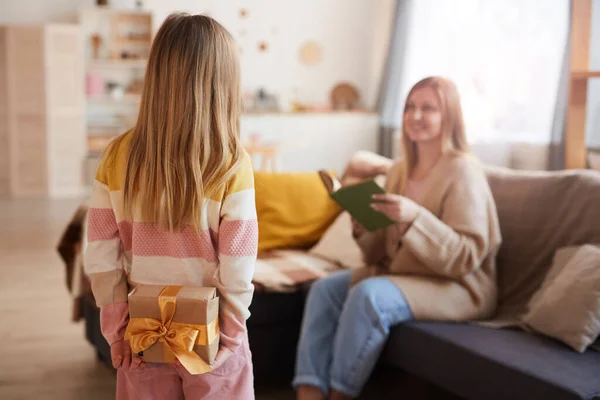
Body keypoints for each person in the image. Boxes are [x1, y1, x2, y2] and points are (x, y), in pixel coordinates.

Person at [293, 76, 502, 400]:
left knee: (368, 295)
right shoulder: (399, 170)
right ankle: (309, 393)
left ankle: (339, 395)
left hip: (459, 285)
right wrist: (362, 223)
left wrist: (415, 217)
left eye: (428, 108)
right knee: (324, 289)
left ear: (450, 116)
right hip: (403, 274)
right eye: (410, 107)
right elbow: (378, 254)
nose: (416, 116)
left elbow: (467, 255)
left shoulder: (463, 171)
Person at [84, 13, 257, 400]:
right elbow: (238, 266)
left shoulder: (115, 157)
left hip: (142, 335)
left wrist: (117, 330)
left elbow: (101, 257)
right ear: (223, 86)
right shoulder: (232, 163)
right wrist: (229, 337)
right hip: (211, 336)